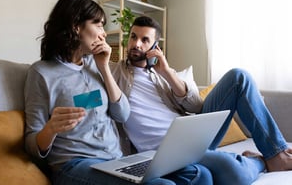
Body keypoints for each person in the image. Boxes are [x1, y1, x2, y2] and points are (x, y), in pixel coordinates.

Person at [24, 0, 202, 185]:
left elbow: (122, 114)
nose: (104, 33)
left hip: (115, 160)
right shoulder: (41, 73)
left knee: (196, 174)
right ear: (76, 27)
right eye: (99, 25)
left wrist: (104, 69)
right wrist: (50, 129)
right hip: (75, 165)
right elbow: (31, 142)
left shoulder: (95, 65)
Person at [110, 15, 292, 185]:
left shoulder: (162, 74)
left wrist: (167, 73)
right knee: (236, 174)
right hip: (165, 152)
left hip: (193, 135)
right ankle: (259, 161)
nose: (136, 44)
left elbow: (196, 106)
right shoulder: (114, 72)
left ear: (155, 47)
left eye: (144, 40)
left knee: (239, 77)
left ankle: (276, 152)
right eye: (133, 37)